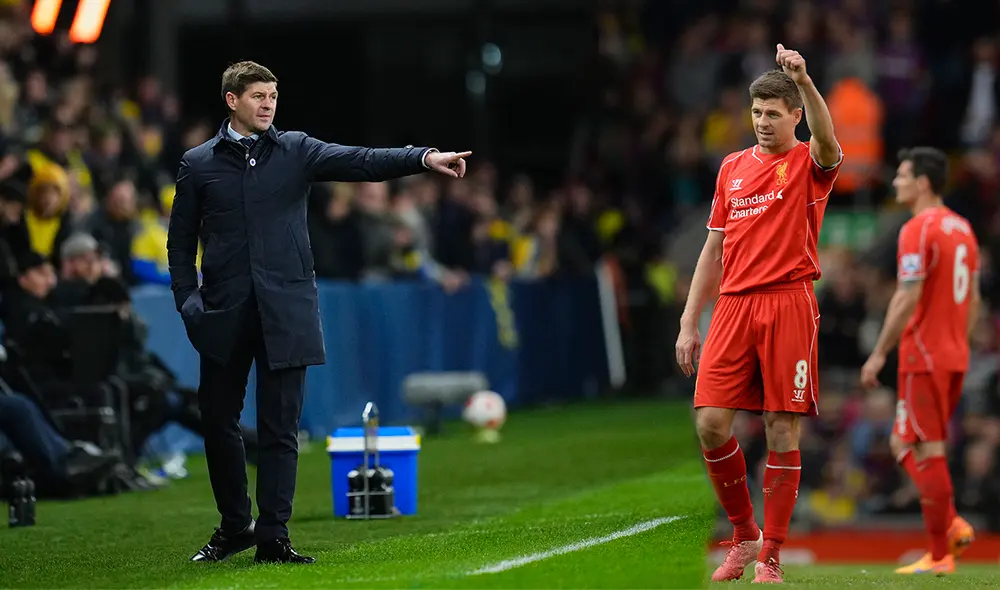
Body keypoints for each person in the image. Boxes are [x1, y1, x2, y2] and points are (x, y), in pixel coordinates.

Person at [166, 61, 470, 565]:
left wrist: (423, 157)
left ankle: (273, 536)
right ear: (231, 101)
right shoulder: (198, 163)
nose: (268, 103)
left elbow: (363, 160)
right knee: (218, 422)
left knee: (281, 428)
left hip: (286, 311)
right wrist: (187, 301)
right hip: (222, 313)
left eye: (273, 95)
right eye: (258, 95)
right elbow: (180, 243)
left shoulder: (297, 150)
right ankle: (234, 525)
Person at [674, 44, 842, 584]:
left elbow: (828, 138)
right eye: (757, 112)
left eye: (774, 113)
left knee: (780, 428)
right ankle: (744, 535)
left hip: (789, 302)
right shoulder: (732, 168)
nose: (763, 122)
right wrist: (687, 321)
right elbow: (712, 250)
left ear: (794, 115)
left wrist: (806, 81)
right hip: (732, 307)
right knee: (710, 423)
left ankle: (772, 554)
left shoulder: (810, 164)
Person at [860, 147, 980, 576]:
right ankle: (949, 526)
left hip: (923, 354)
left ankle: (942, 549)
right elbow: (974, 299)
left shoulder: (917, 228)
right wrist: (958, 343)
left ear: (923, 183)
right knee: (903, 441)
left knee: (926, 448)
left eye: (902, 176)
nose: (896, 183)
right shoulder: (962, 228)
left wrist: (878, 352)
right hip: (953, 353)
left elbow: (907, 295)